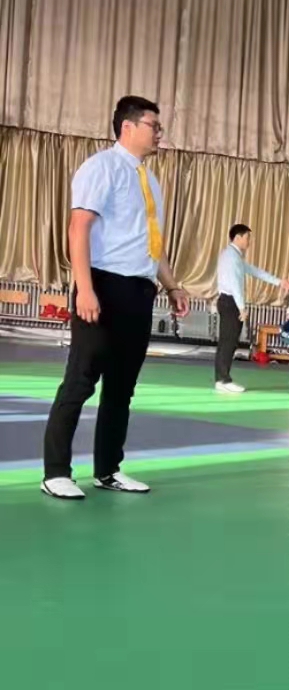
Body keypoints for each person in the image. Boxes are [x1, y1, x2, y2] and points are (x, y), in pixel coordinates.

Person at [41, 96, 191, 500]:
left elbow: (151, 243)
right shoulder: (101, 168)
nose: (159, 133)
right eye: (154, 126)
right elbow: (78, 228)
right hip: (103, 285)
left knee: (122, 387)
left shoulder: (150, 180)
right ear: (128, 126)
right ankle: (56, 472)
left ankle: (108, 469)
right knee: (80, 380)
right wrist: (85, 288)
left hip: (139, 290)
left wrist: (172, 285)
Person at [214, 223, 289, 393]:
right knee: (228, 342)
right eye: (247, 237)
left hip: (229, 301)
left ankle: (222, 379)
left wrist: (279, 282)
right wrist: (241, 308)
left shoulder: (234, 255)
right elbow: (234, 284)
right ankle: (223, 380)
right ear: (238, 237)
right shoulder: (231, 257)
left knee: (229, 342)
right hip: (230, 302)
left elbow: (254, 271)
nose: (250, 241)